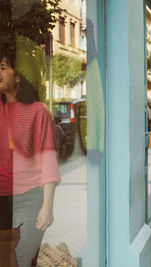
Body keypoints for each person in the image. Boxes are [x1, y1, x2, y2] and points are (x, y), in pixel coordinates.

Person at [0, 42, 60, 267]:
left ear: (18, 77)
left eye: (4, 67)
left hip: (28, 199)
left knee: (23, 262)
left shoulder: (37, 111)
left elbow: (48, 160)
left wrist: (47, 206)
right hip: (1, 198)